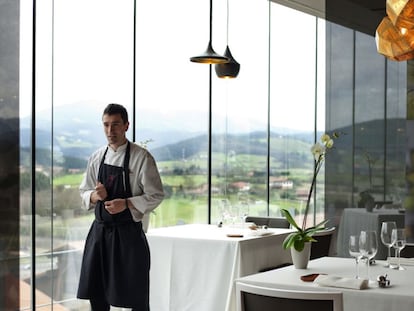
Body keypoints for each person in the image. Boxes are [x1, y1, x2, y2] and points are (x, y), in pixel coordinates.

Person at [77, 103, 164, 311]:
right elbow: (83, 193)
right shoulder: (97, 157)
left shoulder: (141, 157)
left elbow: (156, 195)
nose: (110, 131)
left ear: (126, 125)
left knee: (136, 296)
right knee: (97, 295)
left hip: (129, 236)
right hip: (99, 235)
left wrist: (126, 203)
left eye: (115, 125)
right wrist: (94, 196)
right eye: (106, 125)